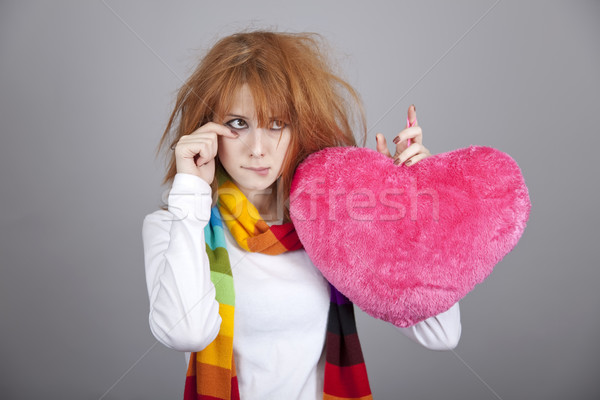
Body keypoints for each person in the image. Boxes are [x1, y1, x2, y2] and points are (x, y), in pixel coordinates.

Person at [142, 30, 461, 400]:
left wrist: (411, 213)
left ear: (300, 128)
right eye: (238, 124)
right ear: (206, 129)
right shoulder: (176, 225)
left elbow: (441, 333)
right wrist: (190, 192)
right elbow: (186, 333)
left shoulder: (329, 226)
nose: (258, 150)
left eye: (276, 123)